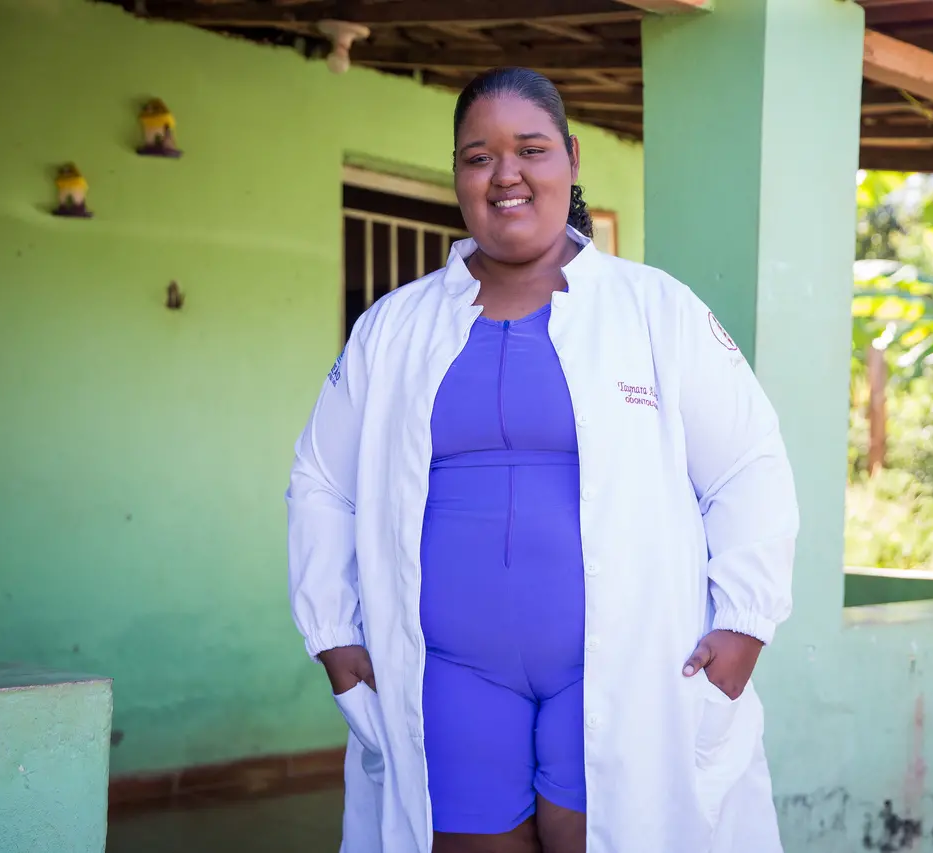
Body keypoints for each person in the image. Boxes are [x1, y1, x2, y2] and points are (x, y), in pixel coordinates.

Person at [287, 67, 799, 853]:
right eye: (477, 157)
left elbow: (750, 464)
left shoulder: (656, 309)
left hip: (625, 669)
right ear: (457, 174)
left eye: (530, 149)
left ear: (571, 156)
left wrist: (745, 623)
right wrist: (333, 632)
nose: (506, 175)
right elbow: (322, 480)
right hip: (448, 673)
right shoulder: (392, 328)